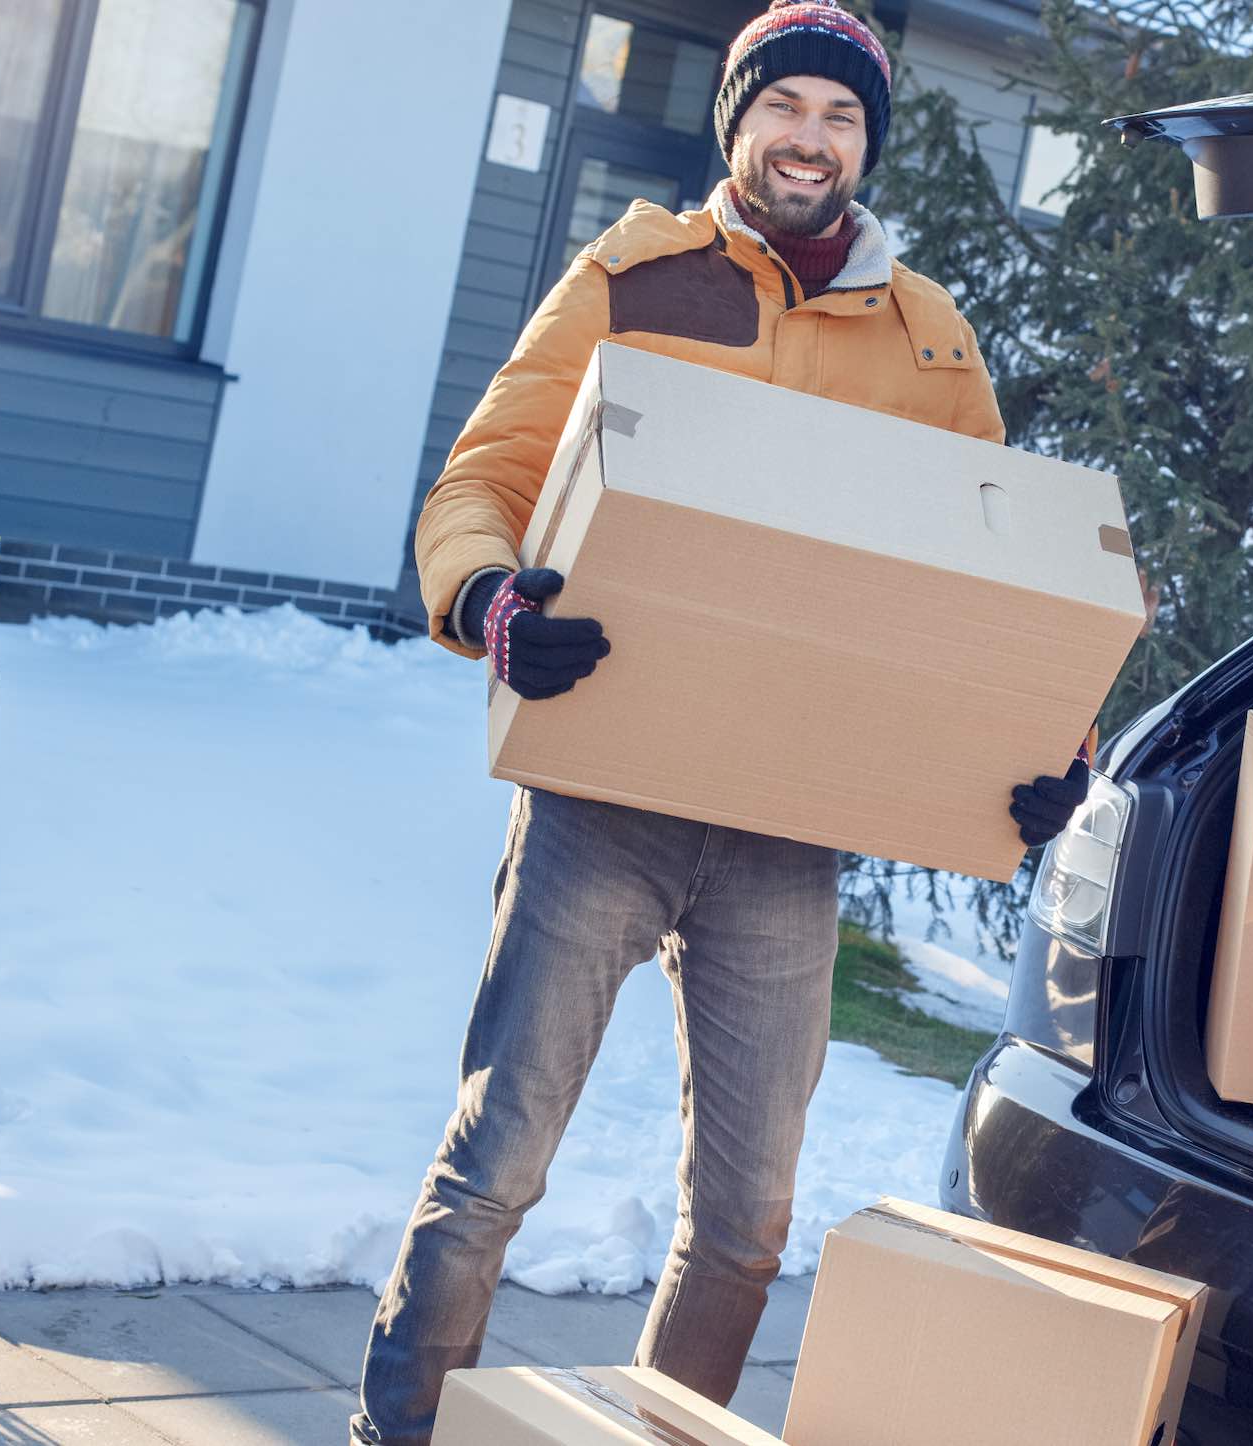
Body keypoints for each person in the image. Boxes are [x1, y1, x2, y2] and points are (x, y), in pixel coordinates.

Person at [352, 6, 1087, 1441]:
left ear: (869, 143)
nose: (811, 138)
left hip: (782, 828)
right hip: (602, 795)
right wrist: (493, 603)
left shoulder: (929, 339)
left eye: (843, 117)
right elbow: (473, 488)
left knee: (748, 1221)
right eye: (788, 107)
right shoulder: (634, 274)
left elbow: (993, 581)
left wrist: (1036, 741)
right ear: (738, 122)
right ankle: (400, 1432)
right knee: (497, 1162)